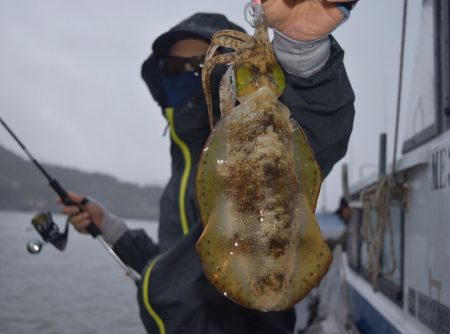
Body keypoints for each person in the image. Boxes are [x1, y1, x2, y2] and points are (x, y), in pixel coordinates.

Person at [62, 1, 358, 333]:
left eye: (201, 64)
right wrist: (111, 228)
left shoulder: (266, 138)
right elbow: (174, 266)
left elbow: (319, 126)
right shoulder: (181, 173)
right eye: (174, 69)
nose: (190, 75)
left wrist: (301, 49)